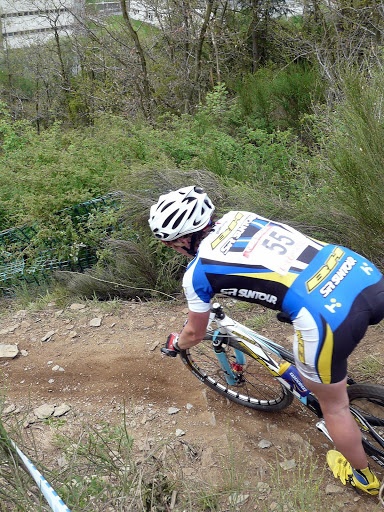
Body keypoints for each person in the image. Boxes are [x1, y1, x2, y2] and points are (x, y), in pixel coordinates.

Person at [148, 185, 384, 495]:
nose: (174, 250)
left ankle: (365, 479)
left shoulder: (197, 274)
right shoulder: (240, 216)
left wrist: (177, 344)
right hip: (360, 272)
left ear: (182, 239)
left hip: (325, 315)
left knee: (334, 407)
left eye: (171, 245)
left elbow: (195, 331)